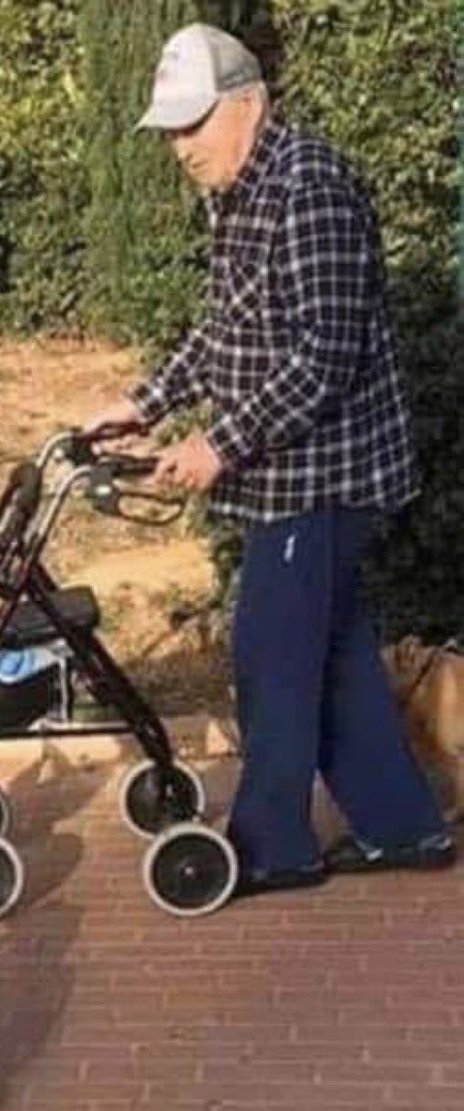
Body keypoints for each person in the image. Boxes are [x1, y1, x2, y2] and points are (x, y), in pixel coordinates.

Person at [89, 23, 455, 896]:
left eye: (194, 125)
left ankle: (272, 848)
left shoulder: (310, 190)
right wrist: (145, 404)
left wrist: (219, 442)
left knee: (272, 659)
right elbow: (226, 333)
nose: (180, 148)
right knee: (328, 655)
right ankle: (405, 828)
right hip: (284, 474)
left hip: (323, 478)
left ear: (249, 105)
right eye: (172, 130)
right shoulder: (241, 191)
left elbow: (323, 356)